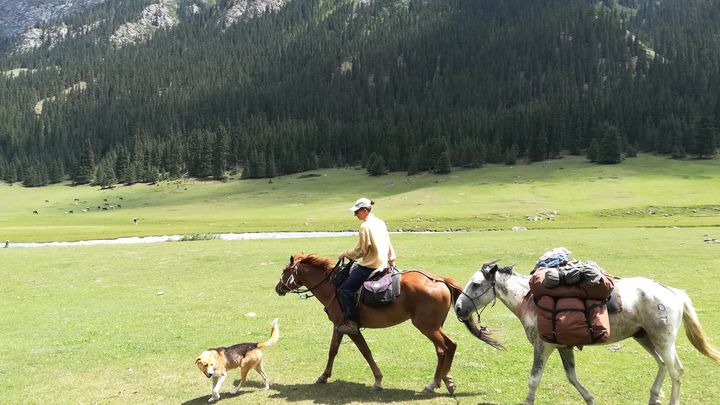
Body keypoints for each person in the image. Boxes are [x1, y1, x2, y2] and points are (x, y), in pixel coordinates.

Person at [336, 197, 396, 334]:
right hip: (384, 263)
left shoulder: (365, 227)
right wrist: (392, 259)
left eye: (357, 212)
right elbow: (388, 242)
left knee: (345, 289)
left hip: (371, 265)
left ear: (364, 210)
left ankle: (351, 322)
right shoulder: (380, 222)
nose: (355, 215)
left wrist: (345, 254)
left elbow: (361, 251)